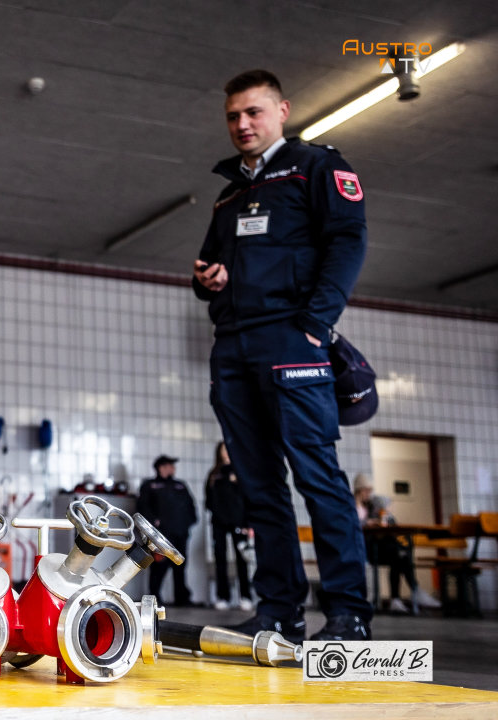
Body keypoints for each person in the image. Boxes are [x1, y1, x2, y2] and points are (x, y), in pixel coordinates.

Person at [192, 69, 372, 642]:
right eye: (233, 116)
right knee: (258, 485)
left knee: (317, 477)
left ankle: (348, 613)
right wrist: (209, 280)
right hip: (234, 347)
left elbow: (349, 240)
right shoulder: (229, 194)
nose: (242, 124)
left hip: (293, 340)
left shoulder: (317, 167)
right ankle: (279, 611)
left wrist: (316, 326)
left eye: (253, 112)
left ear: (282, 110)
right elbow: (208, 268)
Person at [353, 473, 441, 614]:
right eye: (366, 490)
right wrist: (366, 523)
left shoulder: (372, 506)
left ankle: (397, 598)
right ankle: (413, 592)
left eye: (370, 490)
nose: (369, 494)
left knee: (400, 555)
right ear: (359, 490)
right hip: (365, 548)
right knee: (399, 554)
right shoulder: (351, 506)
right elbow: (350, 524)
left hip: (379, 546)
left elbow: (387, 507)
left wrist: (383, 510)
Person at [137, 455, 196, 606]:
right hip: (161, 535)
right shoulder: (150, 485)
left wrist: (187, 523)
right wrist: (155, 525)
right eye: (170, 465)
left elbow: (191, 507)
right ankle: (155, 598)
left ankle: (181, 598)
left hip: (180, 533)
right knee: (159, 566)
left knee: (180, 565)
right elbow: (143, 507)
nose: (173, 468)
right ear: (161, 467)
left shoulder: (180, 485)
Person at [206, 441, 253, 611]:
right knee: (221, 560)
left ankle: (246, 596)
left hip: (239, 523)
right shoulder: (214, 474)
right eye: (222, 449)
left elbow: (248, 499)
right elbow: (208, 499)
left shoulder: (240, 472)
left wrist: (248, 524)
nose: (225, 453)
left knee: (242, 560)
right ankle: (222, 597)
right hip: (218, 523)